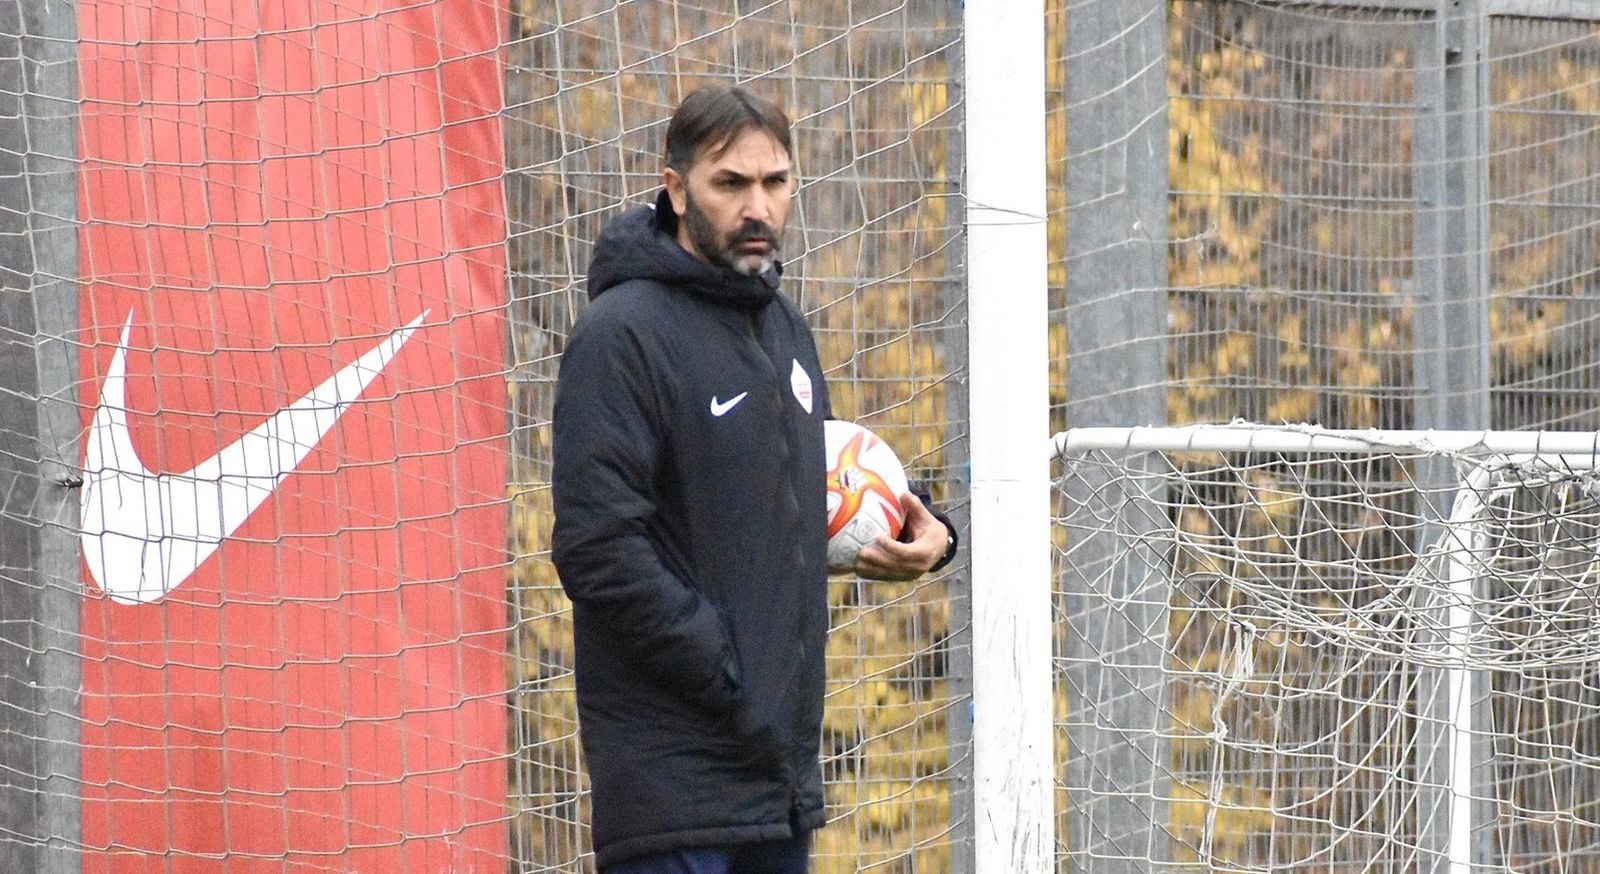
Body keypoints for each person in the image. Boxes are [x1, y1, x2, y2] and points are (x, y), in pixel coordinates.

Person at [550, 84, 957, 874]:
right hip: (675, 788)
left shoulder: (784, 330)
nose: (757, 207)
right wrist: (727, 664)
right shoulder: (621, 334)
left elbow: (806, 493)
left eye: (775, 182)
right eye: (729, 184)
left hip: (776, 781)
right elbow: (597, 548)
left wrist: (920, 533)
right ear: (675, 189)